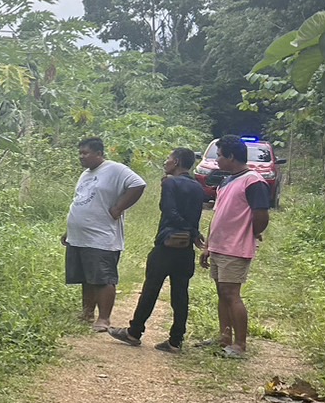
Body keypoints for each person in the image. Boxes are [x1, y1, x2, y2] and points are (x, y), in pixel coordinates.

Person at [108, 147, 206, 353]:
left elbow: (169, 212)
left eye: (169, 158)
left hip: (167, 244)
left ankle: (134, 332)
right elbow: (194, 215)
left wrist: (186, 229)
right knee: (180, 293)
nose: (166, 162)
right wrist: (193, 233)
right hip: (186, 246)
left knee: (151, 288)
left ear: (177, 162)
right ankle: (175, 340)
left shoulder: (170, 183)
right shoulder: (198, 187)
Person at [63, 137, 145, 332]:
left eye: (86, 153)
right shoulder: (85, 174)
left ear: (99, 153)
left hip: (101, 236)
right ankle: (87, 312)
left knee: (103, 278)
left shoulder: (115, 169)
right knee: (86, 276)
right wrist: (69, 230)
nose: (81, 157)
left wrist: (118, 208)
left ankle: (104, 318)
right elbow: (81, 200)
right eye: (80, 153)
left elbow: (138, 184)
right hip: (80, 236)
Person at [199, 134, 270, 358]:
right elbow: (217, 215)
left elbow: (261, 215)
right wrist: (208, 245)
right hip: (219, 245)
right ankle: (224, 337)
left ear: (231, 156)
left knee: (232, 293)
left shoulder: (253, 181)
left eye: (219, 155)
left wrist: (252, 233)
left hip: (235, 247)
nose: (217, 160)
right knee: (222, 292)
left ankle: (240, 345)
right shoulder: (227, 180)